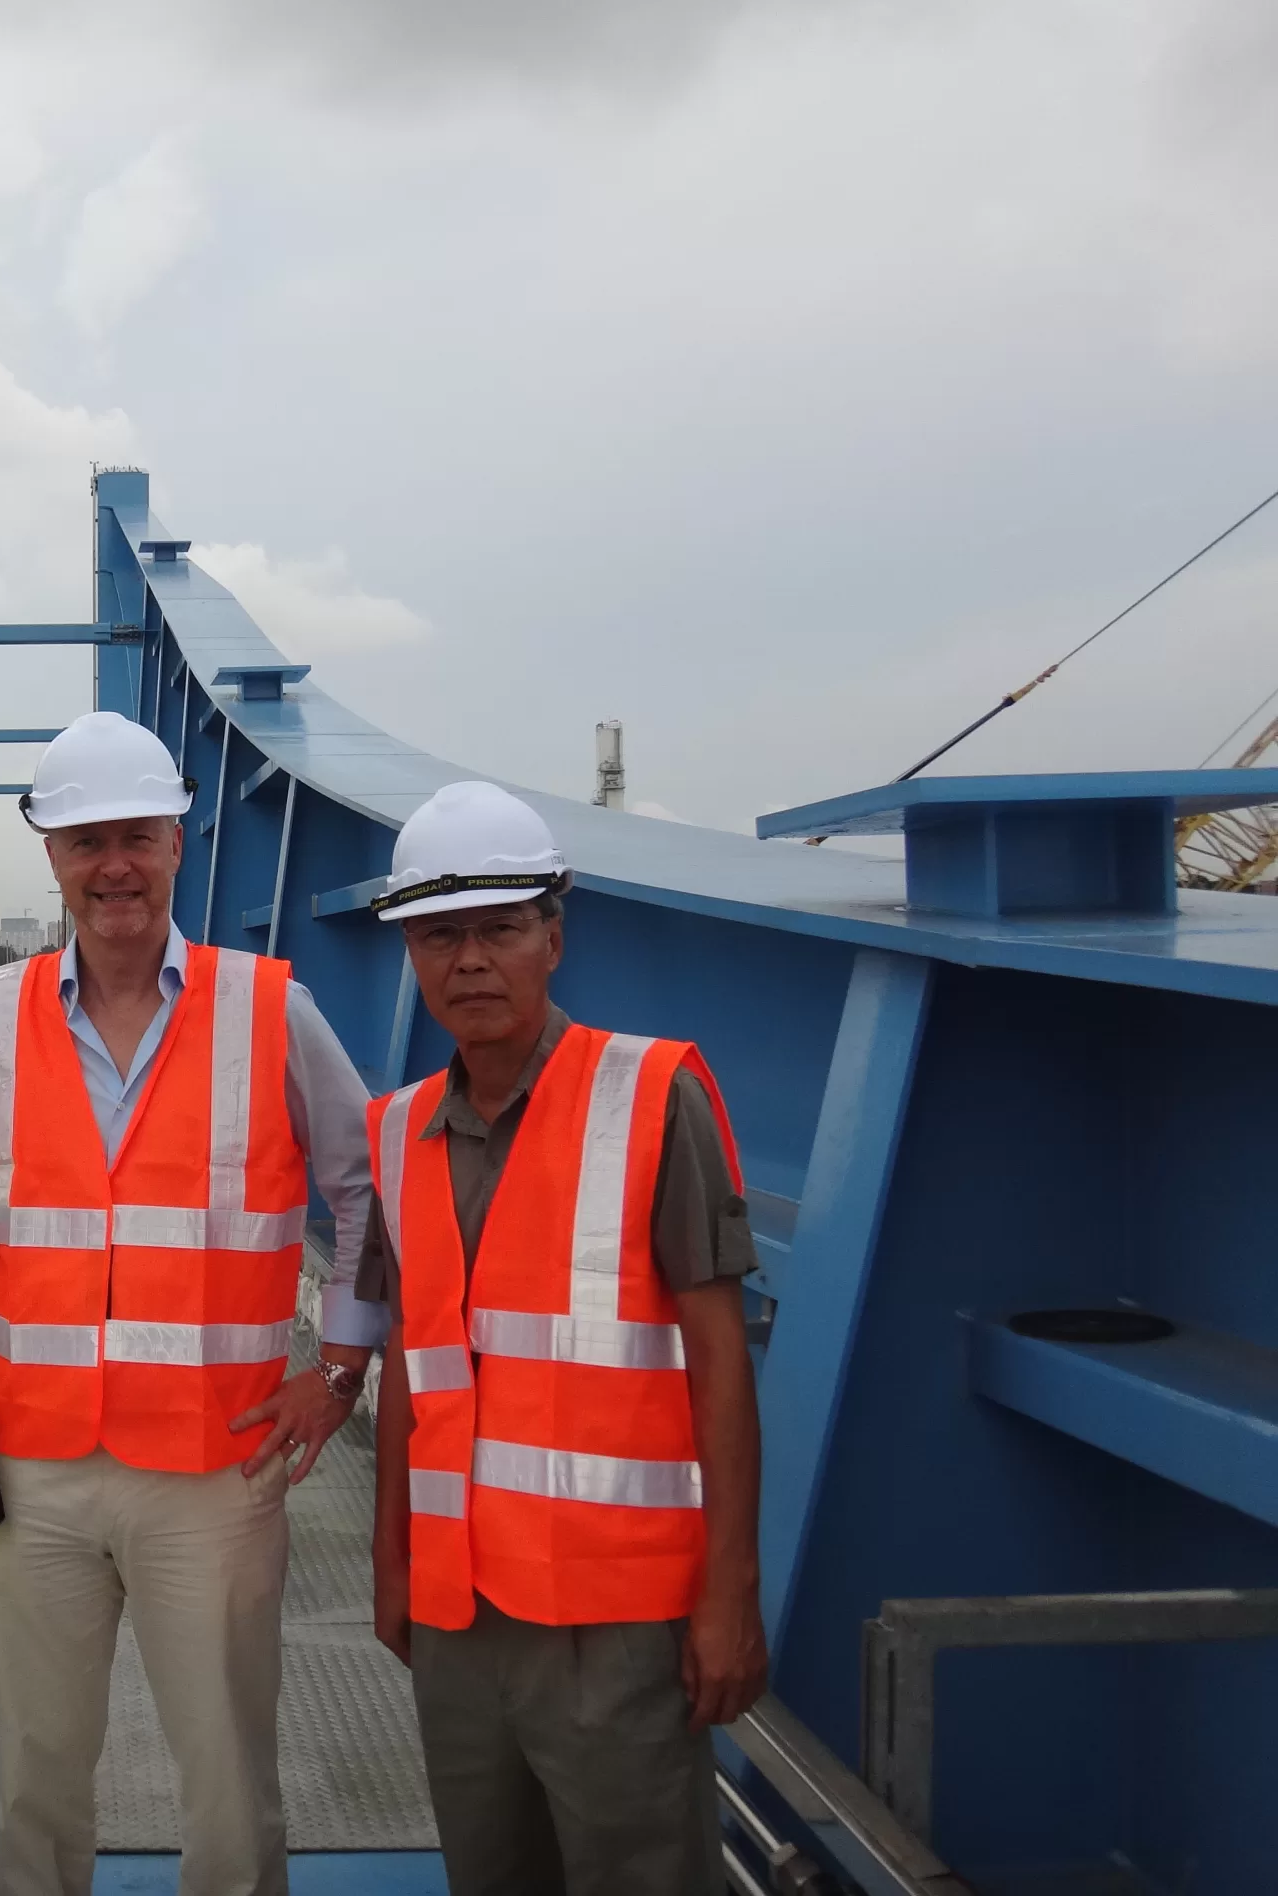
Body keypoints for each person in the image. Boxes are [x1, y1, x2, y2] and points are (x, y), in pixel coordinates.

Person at [0, 711, 387, 1896]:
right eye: (86, 841)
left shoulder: (269, 1009)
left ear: (178, 842)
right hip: (33, 1465)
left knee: (227, 1776)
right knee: (32, 1769)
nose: (113, 864)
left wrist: (339, 1368)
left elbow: (363, 1188)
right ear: (52, 857)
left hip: (215, 1467)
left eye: (136, 835)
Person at [358, 781, 767, 1896]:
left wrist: (729, 1593)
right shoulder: (398, 1132)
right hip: (458, 1613)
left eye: (498, 929)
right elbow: (410, 1368)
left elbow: (719, 1362)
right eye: (438, 936)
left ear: (553, 937)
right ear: (409, 954)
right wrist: (392, 1562)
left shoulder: (653, 1096)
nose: (469, 961)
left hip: (617, 1621)